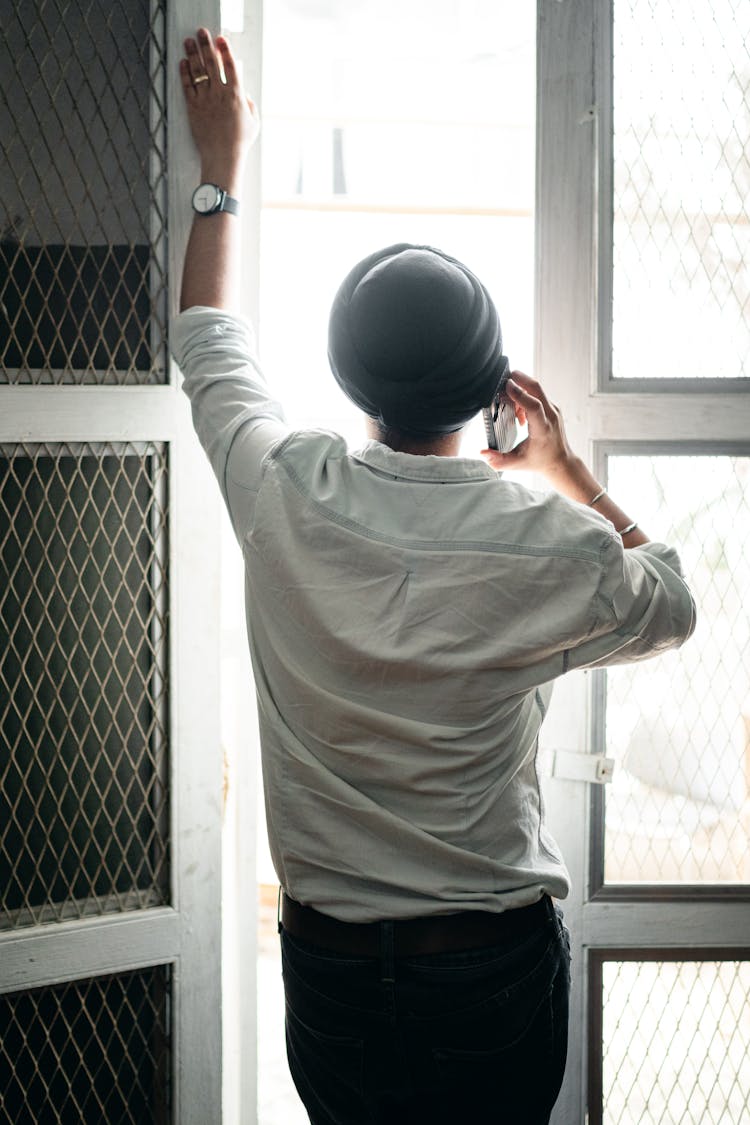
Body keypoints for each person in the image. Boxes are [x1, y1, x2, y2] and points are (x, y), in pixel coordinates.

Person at [174, 29, 696, 1125]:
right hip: (492, 969)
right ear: (492, 388)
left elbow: (210, 341)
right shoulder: (546, 542)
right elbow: (672, 600)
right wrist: (568, 474)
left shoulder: (282, 489)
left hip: (330, 972)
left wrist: (224, 165)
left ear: (349, 379)